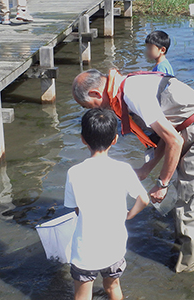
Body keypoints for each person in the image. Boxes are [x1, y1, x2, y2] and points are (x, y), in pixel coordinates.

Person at [72, 69, 194, 273]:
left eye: (87, 106)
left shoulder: (132, 93)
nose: (91, 111)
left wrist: (161, 184)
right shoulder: (124, 87)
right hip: (186, 133)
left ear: (95, 94)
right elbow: (170, 131)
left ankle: (189, 277)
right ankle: (180, 252)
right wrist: (147, 169)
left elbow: (174, 139)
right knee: (183, 200)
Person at [64, 108, 149, 300]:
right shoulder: (123, 169)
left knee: (82, 294)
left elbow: (75, 208)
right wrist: (129, 215)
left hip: (85, 248)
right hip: (114, 245)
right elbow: (143, 199)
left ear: (83, 139)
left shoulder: (74, 173)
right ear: (115, 139)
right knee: (113, 286)